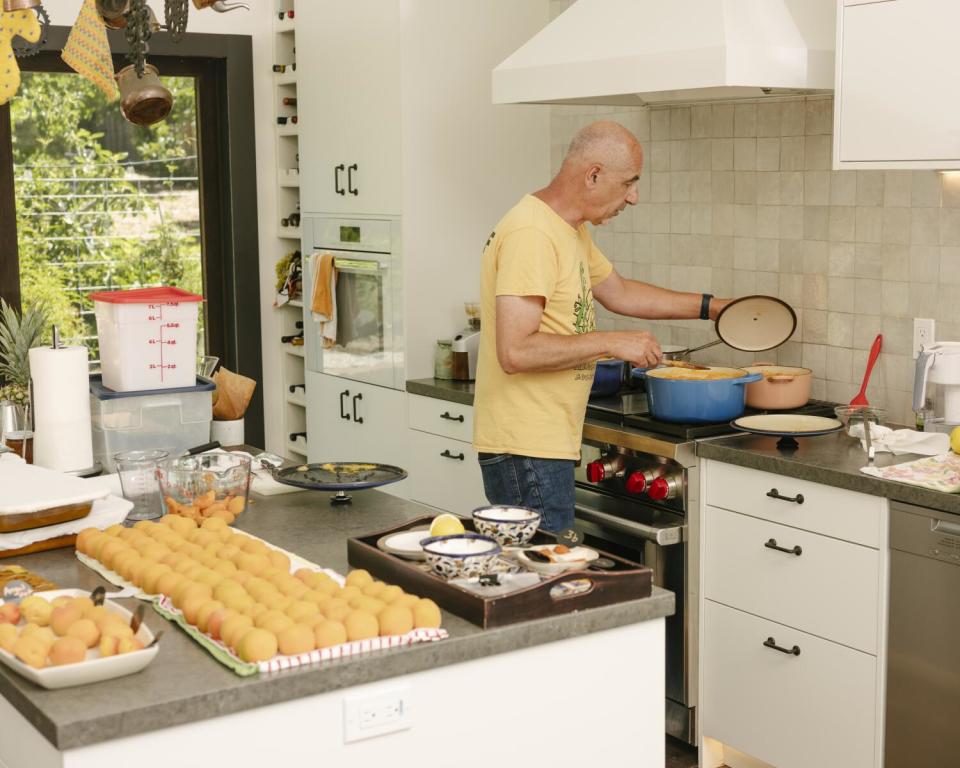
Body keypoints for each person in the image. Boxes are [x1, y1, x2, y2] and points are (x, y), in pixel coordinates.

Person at [472, 120, 731, 532]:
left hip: (544, 443)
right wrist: (611, 341)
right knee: (546, 581)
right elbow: (515, 351)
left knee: (550, 576)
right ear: (593, 174)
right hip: (526, 447)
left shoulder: (567, 230)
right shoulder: (531, 234)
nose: (634, 197)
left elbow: (622, 293)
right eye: (629, 182)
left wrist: (716, 308)